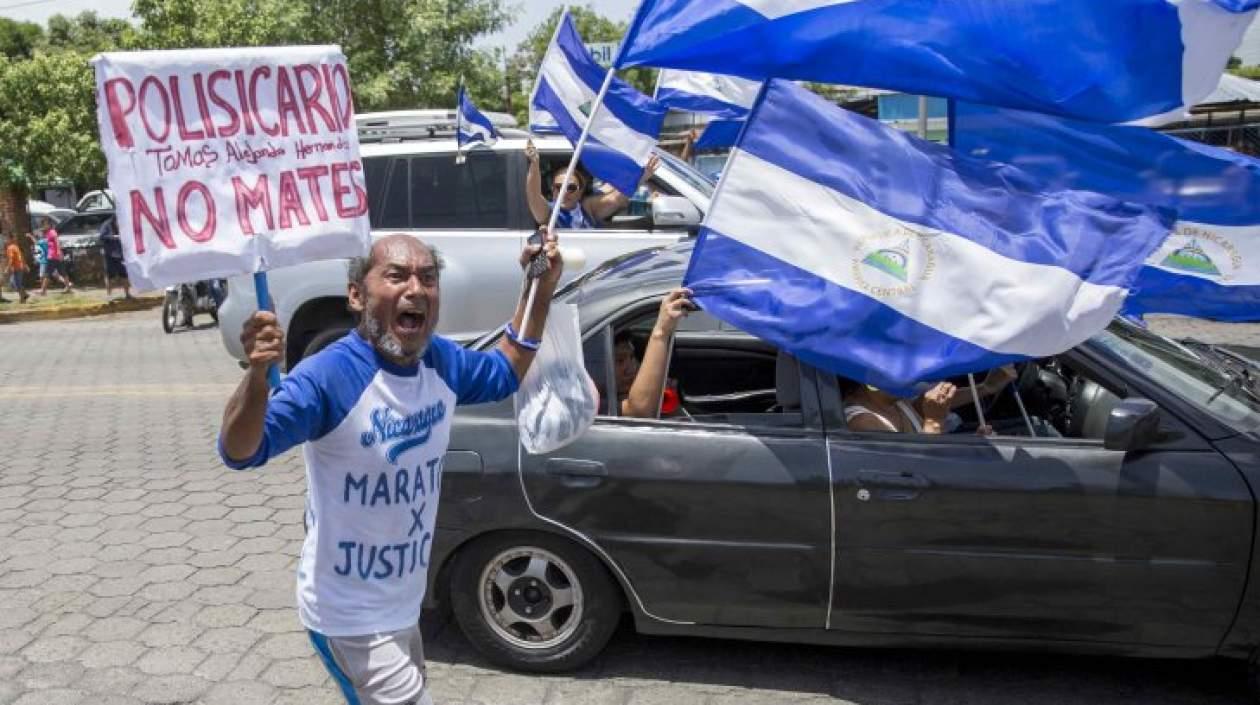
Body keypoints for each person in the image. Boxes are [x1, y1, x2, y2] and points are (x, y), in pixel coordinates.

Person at [218, 230, 562, 705]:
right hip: (348, 617)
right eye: (397, 275)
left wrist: (538, 286)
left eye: (428, 277)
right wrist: (257, 375)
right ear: (357, 296)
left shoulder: (439, 360)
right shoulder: (328, 375)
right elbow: (240, 449)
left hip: (403, 603)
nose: (415, 289)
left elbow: (505, 370)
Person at [525, 139, 660, 229]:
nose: (563, 192)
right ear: (552, 189)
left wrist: (641, 176)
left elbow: (616, 198)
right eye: (558, 187)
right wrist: (534, 164)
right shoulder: (548, 212)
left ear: (580, 191)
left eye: (571, 187)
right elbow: (533, 195)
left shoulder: (587, 207)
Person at [842, 366, 1017, 435]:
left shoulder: (897, 402)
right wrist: (934, 421)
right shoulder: (864, 422)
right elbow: (914, 469)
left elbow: (930, 403)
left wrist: (986, 387)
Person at [616, 288, 695, 418]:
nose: (631, 368)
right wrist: (661, 332)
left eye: (631, 357)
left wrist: (668, 403)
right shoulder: (593, 407)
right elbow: (636, 414)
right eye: (619, 361)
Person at [99, 216, 132, 299]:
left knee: (124, 275)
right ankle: (109, 295)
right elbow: (101, 236)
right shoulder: (106, 225)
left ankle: (127, 294)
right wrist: (113, 237)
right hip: (110, 254)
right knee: (110, 276)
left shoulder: (124, 224)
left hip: (121, 254)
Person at [37, 220, 72, 295]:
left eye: (46, 225)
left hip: (53, 256)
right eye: (43, 225)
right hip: (53, 256)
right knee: (62, 273)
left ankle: (43, 291)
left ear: (49, 225)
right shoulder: (48, 233)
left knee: (48, 273)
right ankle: (68, 288)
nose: (44, 226)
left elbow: (57, 241)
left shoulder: (52, 232)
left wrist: (59, 251)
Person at [4, 232, 28, 303]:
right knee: (16, 283)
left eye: (7, 239)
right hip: (19, 267)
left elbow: (11, 259)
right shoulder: (15, 246)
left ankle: (23, 297)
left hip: (17, 268)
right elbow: (21, 256)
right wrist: (25, 265)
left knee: (15, 284)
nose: (6, 240)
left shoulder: (10, 248)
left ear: (10, 239)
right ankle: (24, 295)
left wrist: (7, 268)